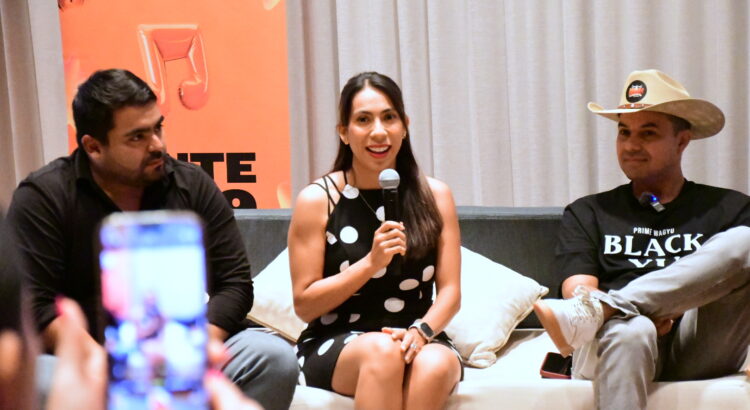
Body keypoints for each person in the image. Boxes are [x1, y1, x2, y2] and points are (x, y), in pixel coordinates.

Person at [5, 68, 297, 410]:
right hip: (86, 356)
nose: (157, 145)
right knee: (40, 378)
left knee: (272, 358)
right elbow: (35, 306)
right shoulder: (44, 197)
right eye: (137, 137)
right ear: (93, 147)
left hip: (182, 348)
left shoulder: (192, 185)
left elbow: (234, 285)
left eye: (158, 128)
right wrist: (106, 368)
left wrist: (193, 351)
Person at [533, 69, 750, 410]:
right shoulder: (588, 211)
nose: (631, 145)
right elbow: (577, 290)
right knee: (631, 331)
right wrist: (640, 316)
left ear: (682, 141)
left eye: (648, 133)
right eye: (624, 132)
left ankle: (608, 308)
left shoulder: (728, 207)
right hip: (615, 338)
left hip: (697, 345)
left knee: (745, 241)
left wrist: (647, 306)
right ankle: (610, 313)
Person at [288, 72, 463, 409]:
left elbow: (451, 293)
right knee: (384, 352)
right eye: (363, 120)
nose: (379, 131)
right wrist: (370, 264)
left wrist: (421, 331)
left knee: (434, 366)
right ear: (344, 132)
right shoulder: (318, 199)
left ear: (405, 126)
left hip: (418, 333)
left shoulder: (436, 196)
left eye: (389, 117)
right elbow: (305, 304)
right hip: (337, 340)